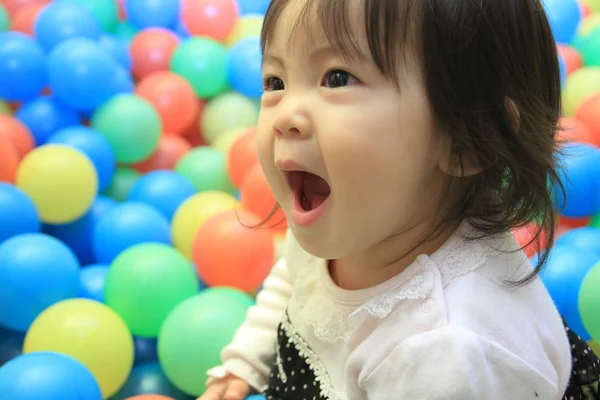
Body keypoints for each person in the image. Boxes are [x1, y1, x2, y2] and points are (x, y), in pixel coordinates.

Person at [199, 0, 600, 399]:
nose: (285, 114)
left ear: (468, 139)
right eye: (275, 82)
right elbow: (295, 279)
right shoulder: (348, 218)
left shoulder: (444, 357)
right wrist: (248, 360)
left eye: (337, 78)